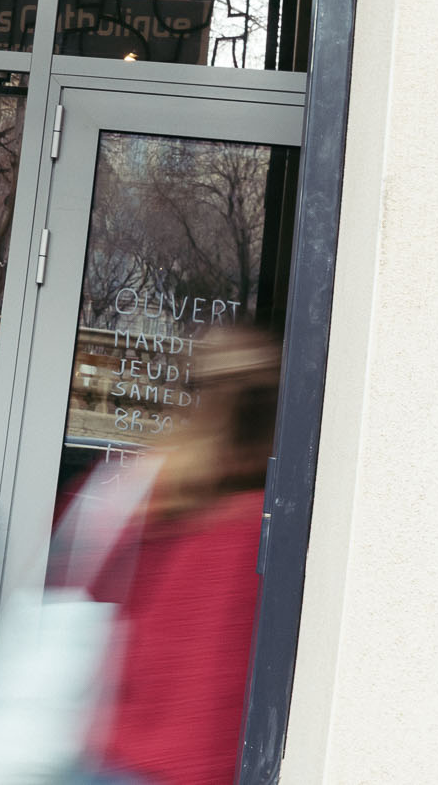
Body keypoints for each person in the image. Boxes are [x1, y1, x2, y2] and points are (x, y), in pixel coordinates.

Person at [79, 327, 282, 785]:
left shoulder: (154, 491)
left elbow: (89, 594)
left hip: (118, 755)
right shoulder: (278, 527)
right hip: (205, 765)